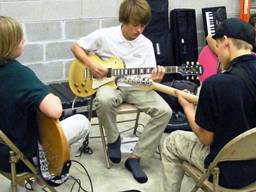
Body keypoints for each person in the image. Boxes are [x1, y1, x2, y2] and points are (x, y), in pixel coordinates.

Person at [71, 0, 172, 183]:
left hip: (137, 87)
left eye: (143, 25)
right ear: (123, 21)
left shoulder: (146, 44)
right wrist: (91, 63)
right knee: (103, 100)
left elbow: (147, 79)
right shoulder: (104, 35)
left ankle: (136, 158)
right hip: (109, 86)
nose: (139, 30)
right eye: (135, 25)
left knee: (165, 111)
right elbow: (76, 47)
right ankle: (113, 139)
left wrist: (154, 80)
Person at [160, 18, 256, 192]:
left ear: (225, 42)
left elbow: (205, 138)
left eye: (217, 47)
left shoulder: (216, 84)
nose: (218, 54)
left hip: (228, 175)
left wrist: (188, 108)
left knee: (171, 141)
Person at [0, 16, 90, 191]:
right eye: (20, 38)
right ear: (9, 44)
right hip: (20, 156)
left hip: (3, 152)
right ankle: (43, 179)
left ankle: (22, 183)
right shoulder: (19, 75)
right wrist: (52, 97)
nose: (23, 41)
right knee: (83, 123)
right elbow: (54, 110)